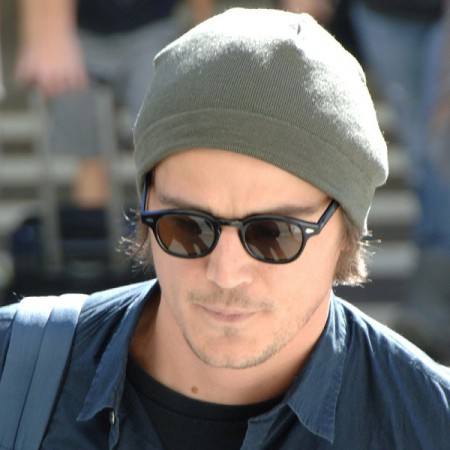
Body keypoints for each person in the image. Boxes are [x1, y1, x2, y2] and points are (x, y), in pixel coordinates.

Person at [1, 8, 449, 449]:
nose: (225, 272)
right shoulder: (14, 370)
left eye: (273, 234)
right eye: (187, 227)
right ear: (146, 210)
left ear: (345, 232)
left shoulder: (430, 423)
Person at [15, 0, 214, 208]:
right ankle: (94, 223)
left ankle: (165, 221)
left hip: (153, 28)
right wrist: (43, 35)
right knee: (90, 159)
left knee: (163, 150)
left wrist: (205, 37)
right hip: (85, 33)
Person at [350, 0, 450, 360]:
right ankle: (429, 311)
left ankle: (428, 309)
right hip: (385, 13)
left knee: (440, 155)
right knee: (427, 159)